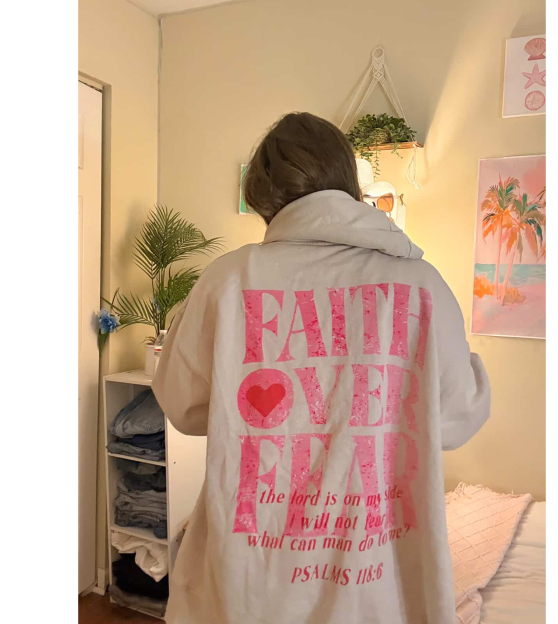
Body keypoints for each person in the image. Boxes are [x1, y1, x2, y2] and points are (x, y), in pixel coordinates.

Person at [153, 112, 490, 624]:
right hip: (376, 584)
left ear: (264, 193)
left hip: (250, 579)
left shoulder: (227, 281)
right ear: (347, 181)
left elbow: (182, 405)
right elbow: (456, 419)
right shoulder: (421, 284)